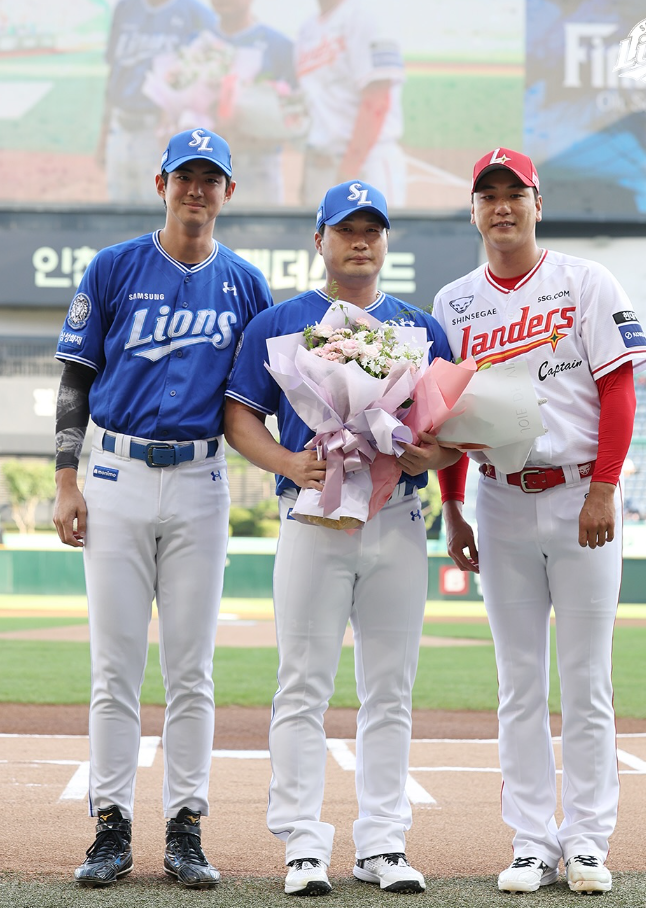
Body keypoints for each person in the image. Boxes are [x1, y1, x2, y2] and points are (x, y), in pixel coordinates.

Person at [225, 180, 460, 895]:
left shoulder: (421, 327)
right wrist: (288, 462)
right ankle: (302, 844)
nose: (361, 241)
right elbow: (239, 417)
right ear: (319, 239)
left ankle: (383, 843)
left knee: (390, 688)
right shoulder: (279, 322)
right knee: (302, 683)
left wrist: (429, 455)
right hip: (313, 515)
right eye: (346, 229)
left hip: (398, 516)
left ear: (386, 241)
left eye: (372, 230)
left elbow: (453, 433)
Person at [53, 128, 273, 888]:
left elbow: (262, 396)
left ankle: (186, 827)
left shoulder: (246, 284)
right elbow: (75, 379)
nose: (196, 189)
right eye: (186, 176)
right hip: (114, 474)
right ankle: (111, 827)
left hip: (201, 479)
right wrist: (65, 479)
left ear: (228, 192)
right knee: (114, 667)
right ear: (162, 183)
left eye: (211, 178)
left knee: (191, 668)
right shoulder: (114, 266)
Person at [433, 148, 646, 894]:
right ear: (473, 210)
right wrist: (452, 506)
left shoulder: (586, 282)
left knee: (587, 678)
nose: (502, 205)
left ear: (537, 203)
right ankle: (531, 840)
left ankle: (586, 839)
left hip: (578, 491)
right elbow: (447, 415)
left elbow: (618, 391)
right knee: (519, 680)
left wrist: (605, 487)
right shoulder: (454, 303)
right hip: (497, 497)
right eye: (487, 194)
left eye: (514, 192)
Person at [99, 0, 217, 203]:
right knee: (119, 209)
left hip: (164, 133)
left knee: (160, 211)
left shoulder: (196, 12)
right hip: (120, 129)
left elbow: (214, 78)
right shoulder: (126, 7)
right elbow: (114, 77)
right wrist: (103, 136)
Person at [296, 0, 406, 207]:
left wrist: (349, 170)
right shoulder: (307, 29)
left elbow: (377, 99)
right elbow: (314, 106)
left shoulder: (366, 16)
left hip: (367, 162)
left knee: (374, 228)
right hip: (322, 164)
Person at [211, 0, 298, 206]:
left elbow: (295, 115)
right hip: (207, 164)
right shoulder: (199, 40)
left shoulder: (279, 46)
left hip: (260, 164)